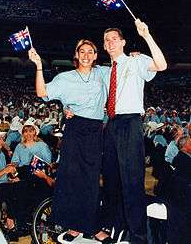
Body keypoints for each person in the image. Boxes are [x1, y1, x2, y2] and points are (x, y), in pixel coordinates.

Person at [28, 39, 111, 243]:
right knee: (71, 178)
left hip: (94, 129)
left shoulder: (103, 73)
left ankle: (92, 226)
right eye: (82, 51)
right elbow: (42, 92)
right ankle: (74, 226)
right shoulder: (65, 78)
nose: (85, 55)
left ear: (95, 55)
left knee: (90, 179)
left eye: (90, 52)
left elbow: (122, 70)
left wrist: (131, 55)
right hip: (74, 129)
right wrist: (39, 66)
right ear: (76, 55)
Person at [101, 18, 167, 244]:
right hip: (110, 125)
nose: (110, 43)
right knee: (112, 181)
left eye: (114, 39)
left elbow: (162, 65)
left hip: (130, 123)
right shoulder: (106, 71)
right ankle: (118, 230)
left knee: (131, 182)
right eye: (106, 40)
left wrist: (147, 36)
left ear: (123, 42)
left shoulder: (135, 61)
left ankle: (138, 236)